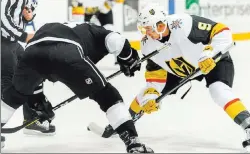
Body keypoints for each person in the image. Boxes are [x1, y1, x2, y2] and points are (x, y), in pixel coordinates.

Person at [98, 4, 250, 153]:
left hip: (211, 62)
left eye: (149, 28)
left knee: (219, 91)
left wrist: (209, 53)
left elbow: (222, 31)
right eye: (144, 29)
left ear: (160, 24)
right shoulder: (147, 44)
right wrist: (151, 95)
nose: (147, 33)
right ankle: (123, 124)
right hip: (181, 70)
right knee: (144, 96)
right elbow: (155, 76)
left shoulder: (184, 24)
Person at [1, 21, 153, 153]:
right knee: (107, 95)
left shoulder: (62, 27)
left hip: (31, 53)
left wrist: (37, 100)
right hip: (66, 52)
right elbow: (116, 40)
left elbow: (38, 66)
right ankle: (133, 142)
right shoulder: (96, 31)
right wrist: (129, 57)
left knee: (14, 95)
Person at [0, 0, 55, 147]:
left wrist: (27, 17)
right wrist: (24, 36)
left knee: (32, 73)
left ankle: (30, 118)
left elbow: (18, 16)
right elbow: (2, 18)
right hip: (2, 43)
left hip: (13, 44)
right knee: (7, 85)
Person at [71, 0, 125, 64]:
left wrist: (102, 7)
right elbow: (77, 21)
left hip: (102, 11)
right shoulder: (79, 0)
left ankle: (119, 56)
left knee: (111, 31)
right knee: (80, 34)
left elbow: (112, 2)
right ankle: (79, 57)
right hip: (84, 12)